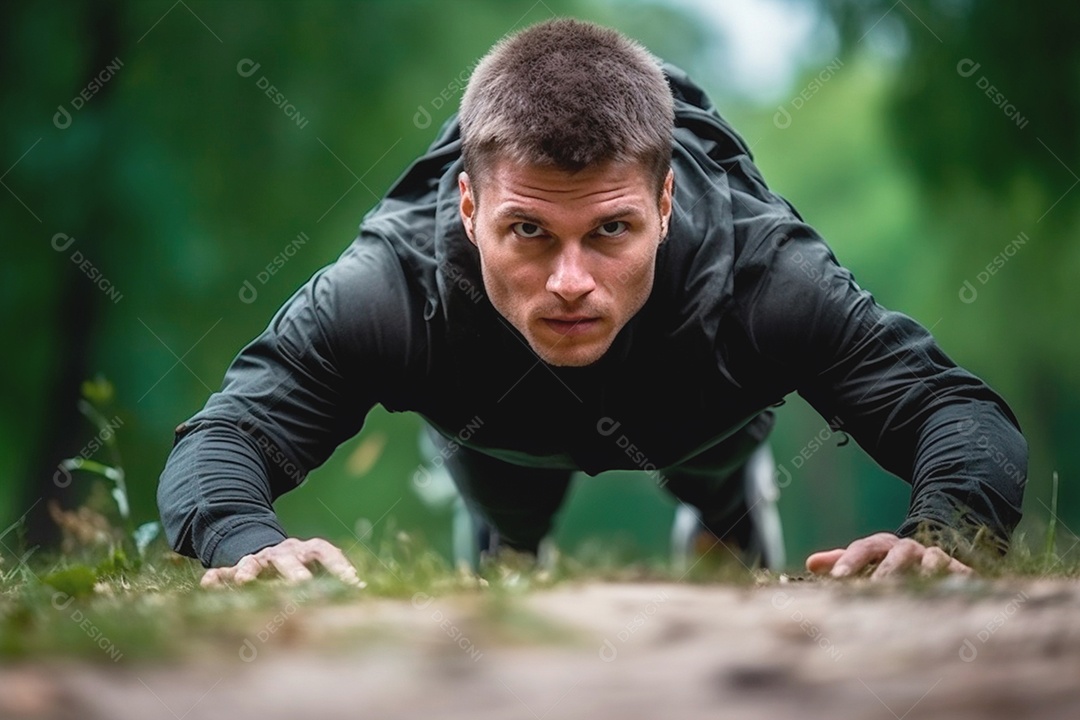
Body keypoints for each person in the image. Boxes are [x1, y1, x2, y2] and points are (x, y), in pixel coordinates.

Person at [157, 18, 1027, 588]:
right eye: (529, 232)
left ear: (664, 206)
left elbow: (956, 410)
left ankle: (727, 505)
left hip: (700, 414)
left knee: (718, 482)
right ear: (467, 211)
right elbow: (222, 440)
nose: (570, 280)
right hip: (491, 426)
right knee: (507, 541)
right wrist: (248, 545)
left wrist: (946, 533)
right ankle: (504, 541)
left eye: (609, 231)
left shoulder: (766, 276)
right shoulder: (388, 288)